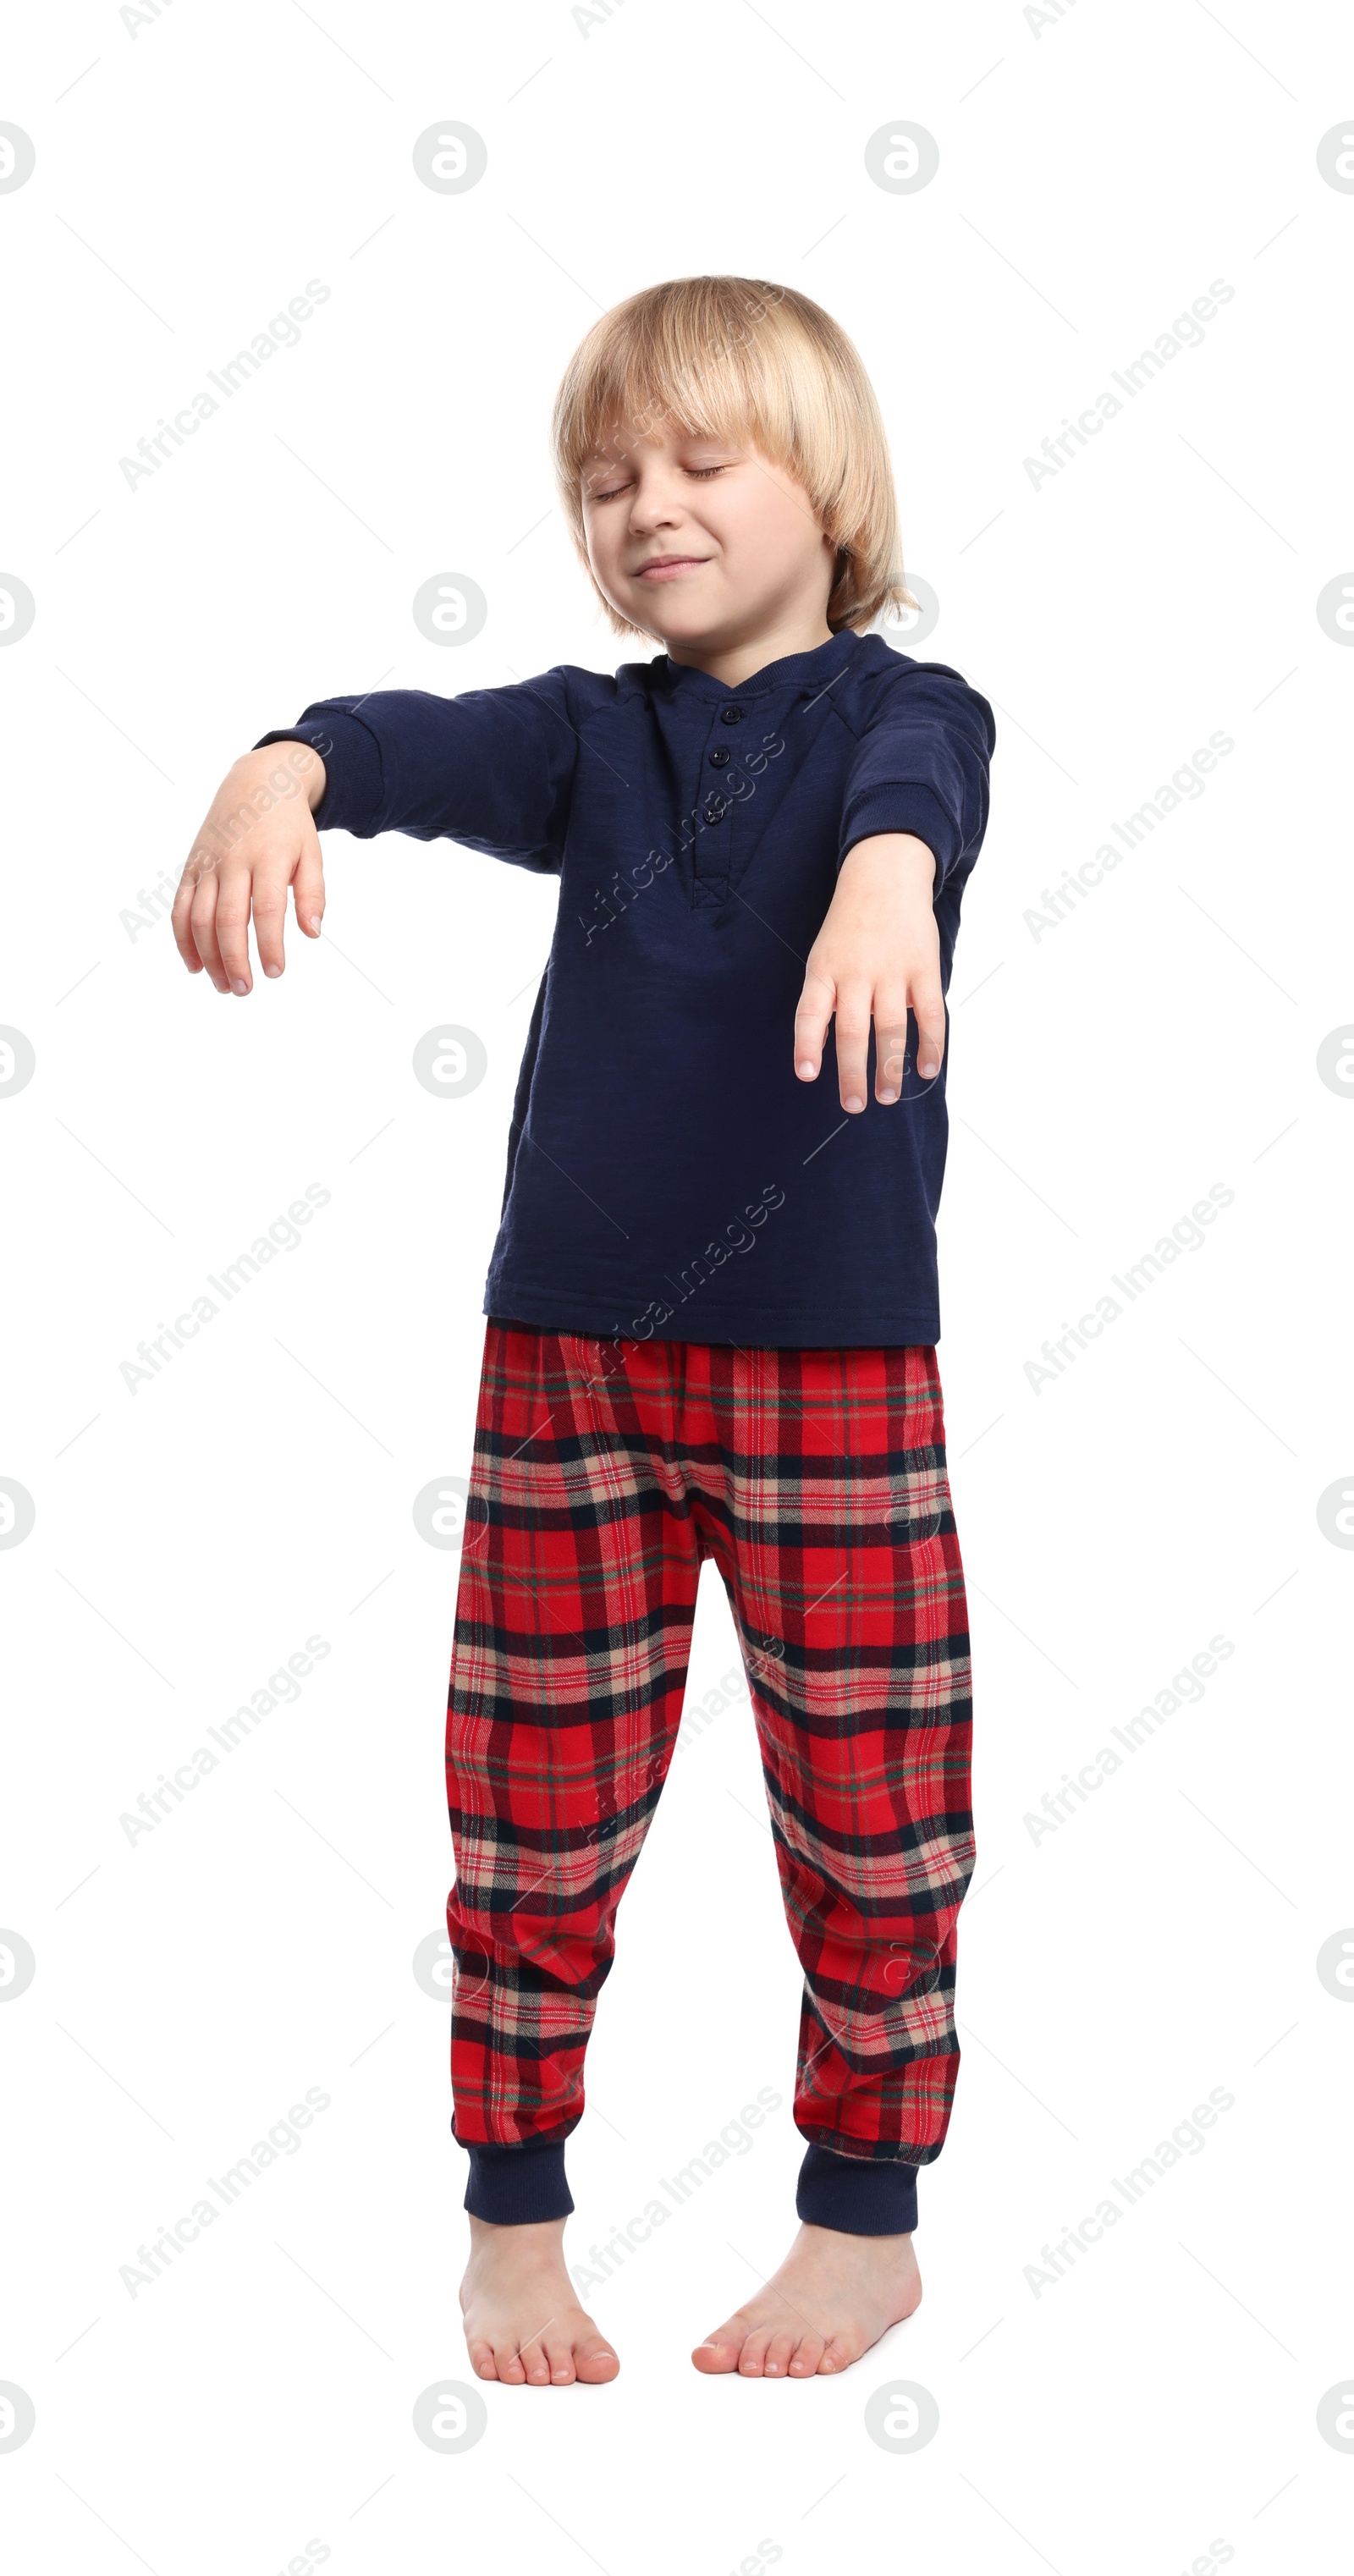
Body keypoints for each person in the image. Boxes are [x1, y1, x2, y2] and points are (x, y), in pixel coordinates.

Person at [173, 274, 995, 2388]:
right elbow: (408, 744)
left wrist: (886, 878)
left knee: (873, 1809)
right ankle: (510, 2221)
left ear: (823, 483)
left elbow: (923, 778)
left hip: (828, 1361)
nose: (646, 507)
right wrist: (287, 762)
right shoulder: (591, 733)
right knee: (527, 1812)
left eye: (701, 462)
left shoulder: (908, 716)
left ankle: (860, 2218)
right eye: (604, 478)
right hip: (570, 1363)